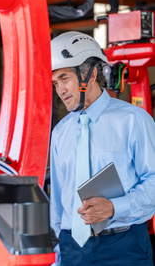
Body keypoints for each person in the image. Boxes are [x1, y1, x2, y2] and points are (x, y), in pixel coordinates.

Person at [49, 31, 155, 265]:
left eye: (65, 78)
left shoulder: (133, 121)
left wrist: (115, 207)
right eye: (56, 83)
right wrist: (58, 253)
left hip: (124, 247)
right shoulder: (60, 133)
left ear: (91, 74)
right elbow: (58, 200)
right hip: (72, 249)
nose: (60, 91)